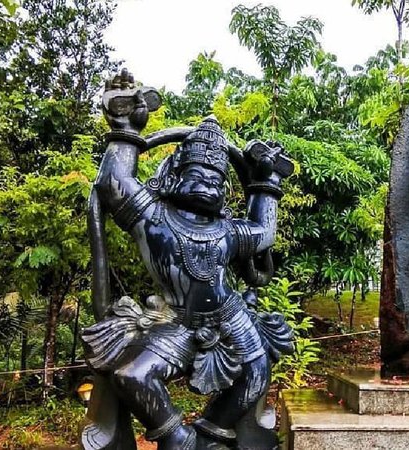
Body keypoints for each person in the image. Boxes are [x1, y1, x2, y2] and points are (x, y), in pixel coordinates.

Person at [81, 69, 294, 450]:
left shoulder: (227, 230)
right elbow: (114, 184)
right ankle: (178, 439)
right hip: (176, 321)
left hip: (230, 317)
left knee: (256, 371)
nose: (209, 182)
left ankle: (211, 435)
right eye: (199, 172)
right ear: (174, 175)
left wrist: (267, 183)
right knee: (133, 377)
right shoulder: (154, 217)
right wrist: (125, 129)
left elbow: (264, 233)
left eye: (217, 178)